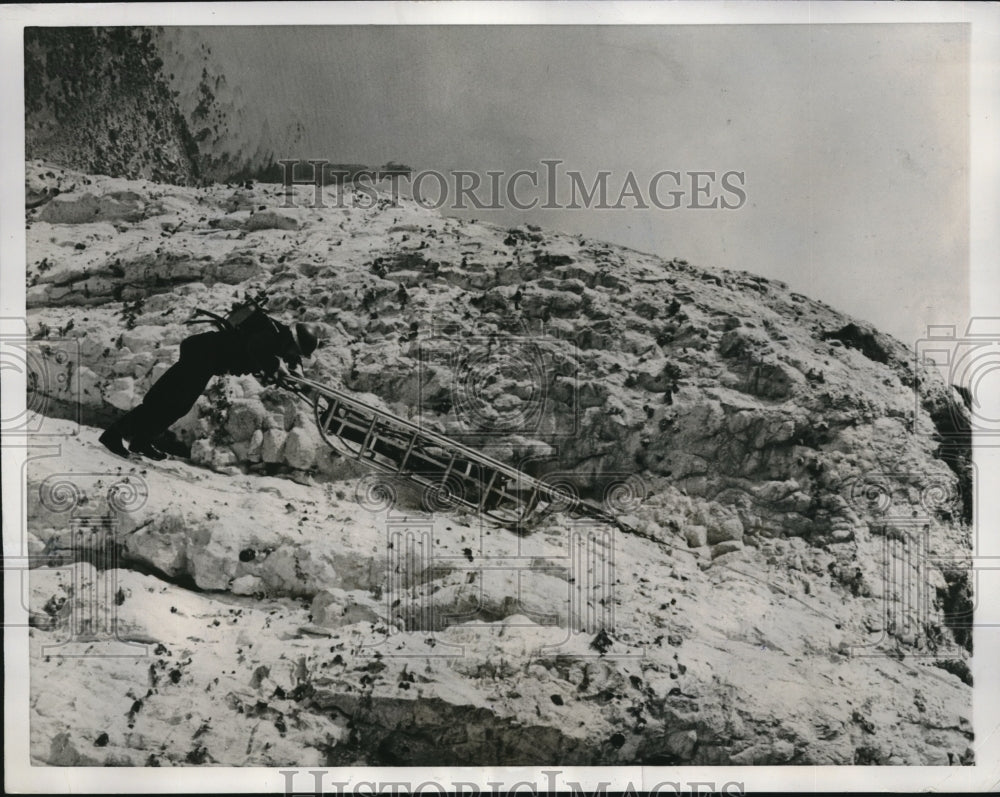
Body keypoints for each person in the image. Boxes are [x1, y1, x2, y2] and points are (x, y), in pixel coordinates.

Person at [99, 310, 321, 460]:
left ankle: (141, 441)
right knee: (167, 401)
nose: (295, 355)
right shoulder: (272, 337)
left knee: (176, 404)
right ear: (293, 343)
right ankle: (114, 434)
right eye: (297, 351)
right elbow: (256, 348)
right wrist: (276, 367)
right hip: (202, 356)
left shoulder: (280, 338)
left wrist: (295, 370)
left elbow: (290, 359)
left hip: (206, 358)